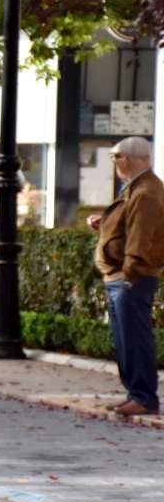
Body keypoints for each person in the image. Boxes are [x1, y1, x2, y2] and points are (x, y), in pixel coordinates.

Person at [86, 136, 164, 417]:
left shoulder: (144, 192)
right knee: (126, 340)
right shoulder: (138, 188)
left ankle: (143, 397)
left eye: (115, 158)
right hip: (123, 276)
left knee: (134, 340)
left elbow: (141, 240)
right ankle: (136, 394)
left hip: (130, 277)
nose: (115, 164)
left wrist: (130, 275)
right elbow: (130, 229)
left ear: (126, 160)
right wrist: (104, 222)